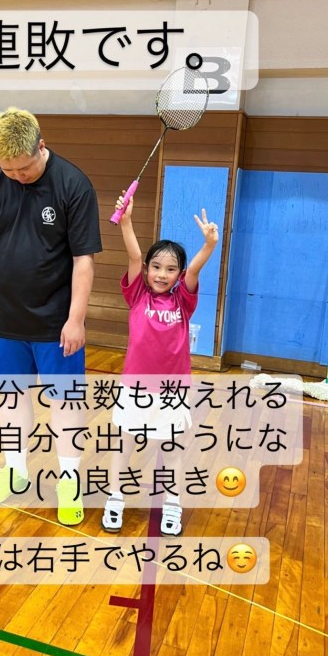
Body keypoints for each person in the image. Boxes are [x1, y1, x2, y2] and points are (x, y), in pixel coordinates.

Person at [0, 106, 102, 524]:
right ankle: (16, 471)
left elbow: (84, 261)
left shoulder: (73, 184)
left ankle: (70, 480)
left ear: (41, 145)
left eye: (23, 168)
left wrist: (76, 319)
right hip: (5, 321)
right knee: (11, 397)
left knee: (66, 402)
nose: (17, 176)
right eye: (8, 169)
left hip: (57, 324)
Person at [102, 191, 219, 536]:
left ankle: (172, 504)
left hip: (172, 390)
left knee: (171, 449)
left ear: (179, 274)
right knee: (123, 443)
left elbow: (195, 268)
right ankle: (114, 499)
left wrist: (209, 245)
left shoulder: (183, 300)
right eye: (156, 267)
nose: (161, 274)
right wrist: (126, 221)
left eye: (170, 269)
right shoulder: (137, 294)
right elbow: (134, 255)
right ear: (147, 270)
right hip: (134, 388)